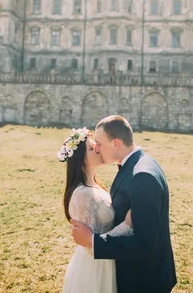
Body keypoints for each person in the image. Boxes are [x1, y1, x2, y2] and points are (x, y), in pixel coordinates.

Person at [71, 115, 177, 293]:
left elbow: (145, 244)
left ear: (116, 144)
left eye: (99, 143)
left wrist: (93, 241)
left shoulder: (143, 175)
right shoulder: (136, 163)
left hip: (144, 281)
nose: (96, 148)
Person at [59, 127, 133, 293]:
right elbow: (89, 244)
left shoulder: (95, 186)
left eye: (96, 146)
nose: (98, 150)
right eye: (92, 148)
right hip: (94, 268)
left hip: (106, 260)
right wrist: (127, 225)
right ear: (80, 159)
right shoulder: (81, 194)